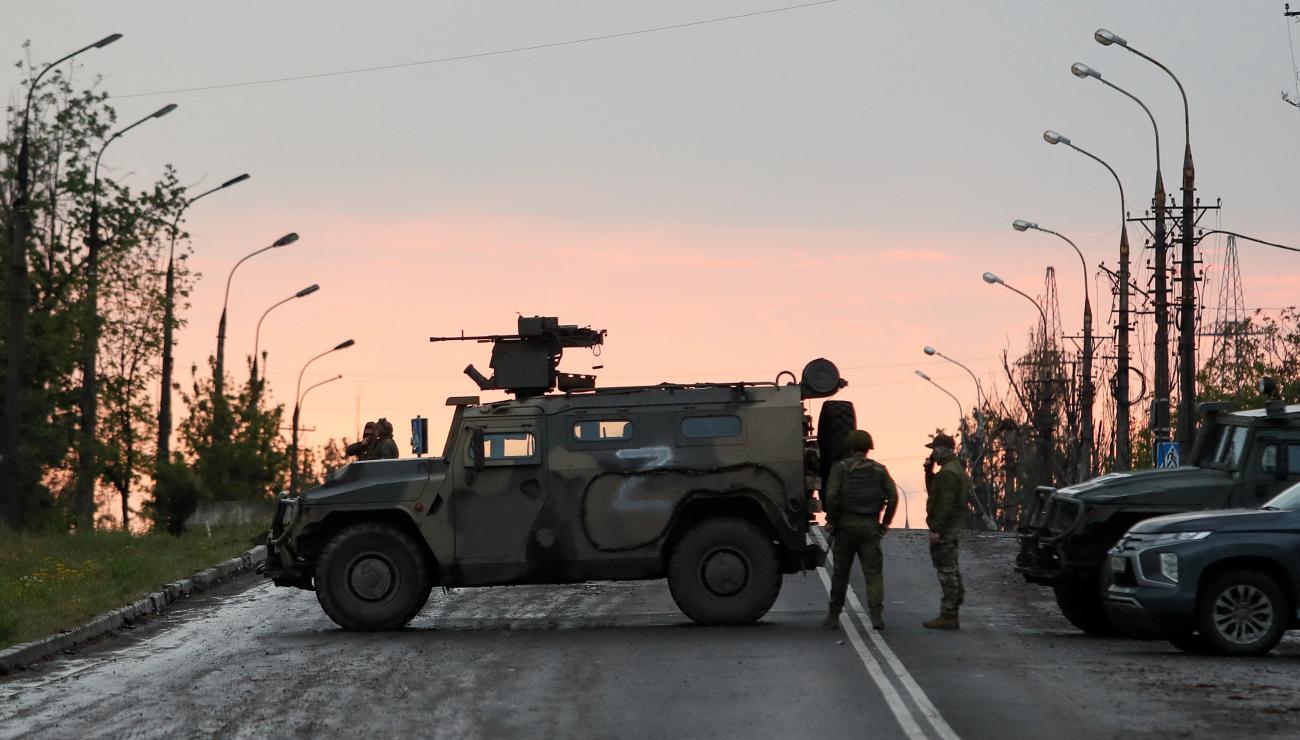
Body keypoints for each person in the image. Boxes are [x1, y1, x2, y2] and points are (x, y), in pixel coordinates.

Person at [821, 429, 899, 631]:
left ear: (850, 447)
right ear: (867, 448)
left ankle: (833, 616)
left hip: (845, 528)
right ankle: (876, 616)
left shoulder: (841, 468)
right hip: (870, 527)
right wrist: (885, 524)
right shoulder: (879, 470)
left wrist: (832, 519)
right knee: (873, 573)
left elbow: (831, 496)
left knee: (840, 574)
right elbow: (893, 497)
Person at [923, 432, 969, 630]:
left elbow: (945, 503)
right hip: (952, 527)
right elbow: (935, 492)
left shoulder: (949, 473)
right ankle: (952, 612)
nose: (933, 452)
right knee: (951, 568)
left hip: (947, 529)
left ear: (942, 449)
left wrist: (937, 530)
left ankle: (949, 614)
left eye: (934, 449)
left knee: (947, 571)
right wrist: (928, 472)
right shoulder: (952, 469)